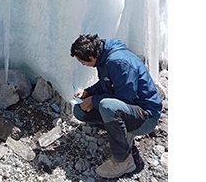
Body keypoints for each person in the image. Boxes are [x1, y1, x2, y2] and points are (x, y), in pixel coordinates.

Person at [70, 34, 163, 178]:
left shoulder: (119, 62)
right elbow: (106, 84)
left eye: (82, 62)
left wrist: (94, 100)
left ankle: (124, 161)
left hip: (146, 117)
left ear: (91, 58)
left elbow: (126, 99)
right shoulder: (104, 57)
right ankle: (121, 132)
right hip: (130, 110)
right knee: (79, 110)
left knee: (107, 106)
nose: (83, 65)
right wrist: (88, 92)